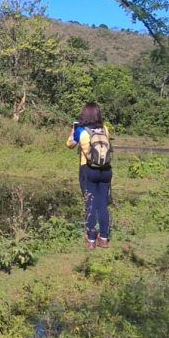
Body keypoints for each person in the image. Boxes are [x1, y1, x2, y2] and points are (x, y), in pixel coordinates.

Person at [66, 102, 112, 249]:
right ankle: (104, 239)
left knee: (90, 203)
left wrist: (72, 132)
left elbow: (69, 145)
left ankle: (91, 240)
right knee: (102, 204)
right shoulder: (105, 129)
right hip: (106, 170)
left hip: (88, 170)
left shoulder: (80, 130)